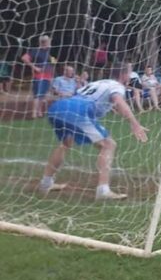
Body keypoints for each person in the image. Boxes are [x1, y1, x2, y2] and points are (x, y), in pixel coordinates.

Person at [39, 63, 149, 200]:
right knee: (108, 145)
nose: (131, 76)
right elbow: (118, 101)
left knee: (66, 143)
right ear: (123, 75)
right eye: (130, 73)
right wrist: (135, 124)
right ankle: (103, 190)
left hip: (58, 107)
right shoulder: (117, 86)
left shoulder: (99, 82)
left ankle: (45, 183)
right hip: (78, 110)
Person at [21, 35, 55, 118]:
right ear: (44, 42)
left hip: (48, 75)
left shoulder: (47, 52)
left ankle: (39, 112)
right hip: (39, 75)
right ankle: (34, 113)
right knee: (37, 94)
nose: (50, 43)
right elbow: (24, 58)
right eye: (48, 41)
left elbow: (52, 63)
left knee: (43, 95)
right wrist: (34, 67)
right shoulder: (35, 50)